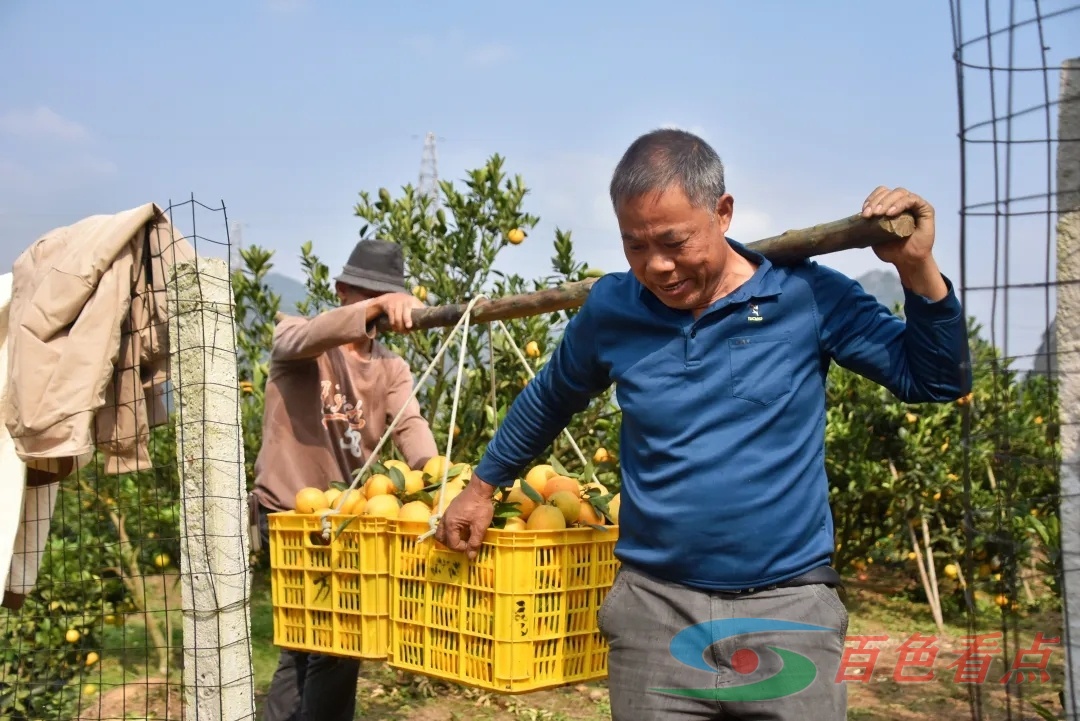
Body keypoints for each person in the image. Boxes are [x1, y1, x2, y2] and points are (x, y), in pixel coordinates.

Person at [434, 128, 971, 720]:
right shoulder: (613, 309)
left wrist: (916, 268)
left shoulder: (804, 294)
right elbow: (550, 397)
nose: (657, 267)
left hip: (788, 609)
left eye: (674, 242)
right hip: (655, 613)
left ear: (723, 212)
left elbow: (937, 381)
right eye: (635, 247)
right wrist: (482, 488)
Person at [249, 238, 438, 721]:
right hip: (289, 512)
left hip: (348, 520)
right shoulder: (301, 341)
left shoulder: (391, 368)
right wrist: (374, 306)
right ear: (341, 291)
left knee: (321, 641)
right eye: (365, 296)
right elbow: (298, 337)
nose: (376, 313)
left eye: (383, 299)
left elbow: (410, 426)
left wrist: (438, 480)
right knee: (324, 639)